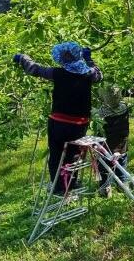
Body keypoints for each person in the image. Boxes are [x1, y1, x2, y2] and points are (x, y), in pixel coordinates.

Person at [15, 43, 102, 193]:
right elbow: (99, 76)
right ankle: (71, 183)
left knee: (56, 155)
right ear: (78, 55)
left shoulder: (57, 73)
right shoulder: (88, 73)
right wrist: (89, 59)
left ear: (60, 59)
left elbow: (35, 69)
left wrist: (22, 58)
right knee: (74, 153)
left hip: (59, 123)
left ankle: (59, 187)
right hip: (79, 124)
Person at [96, 85, 130, 196]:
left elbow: (99, 129)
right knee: (121, 170)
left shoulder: (101, 113)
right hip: (121, 146)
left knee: (104, 170)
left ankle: (105, 190)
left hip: (106, 147)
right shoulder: (124, 108)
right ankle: (124, 190)